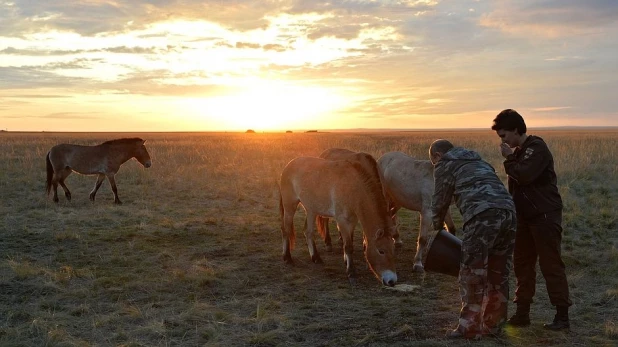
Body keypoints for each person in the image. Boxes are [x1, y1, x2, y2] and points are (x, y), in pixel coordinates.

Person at [491, 109, 572, 330]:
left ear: (516, 130)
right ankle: (522, 314)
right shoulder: (522, 151)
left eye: (504, 135)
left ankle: (562, 317)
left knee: (550, 265)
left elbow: (524, 175)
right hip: (525, 218)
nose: (503, 141)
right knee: (522, 265)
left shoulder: (537, 148)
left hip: (544, 216)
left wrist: (508, 158)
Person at [429, 139, 517, 339]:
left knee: (472, 273)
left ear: (437, 156)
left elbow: (439, 202)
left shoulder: (445, 164)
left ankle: (469, 327)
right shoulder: (479, 161)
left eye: (433, 161)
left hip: (482, 216)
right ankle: (494, 327)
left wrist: (436, 231)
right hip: (509, 213)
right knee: (499, 272)